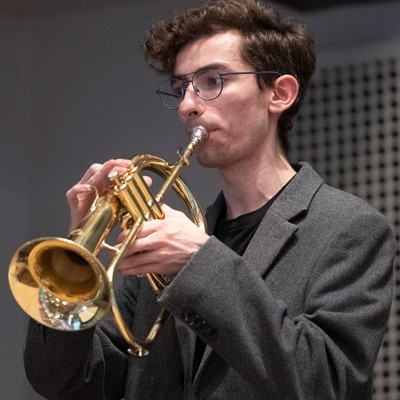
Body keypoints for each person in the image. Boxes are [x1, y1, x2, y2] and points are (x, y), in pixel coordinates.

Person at [23, 0, 395, 399]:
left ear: (279, 94)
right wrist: (74, 264)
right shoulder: (168, 243)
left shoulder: (349, 229)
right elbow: (65, 382)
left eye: (213, 81)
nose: (187, 105)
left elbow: (326, 382)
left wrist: (199, 263)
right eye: (182, 87)